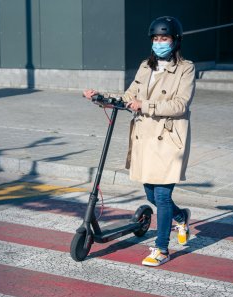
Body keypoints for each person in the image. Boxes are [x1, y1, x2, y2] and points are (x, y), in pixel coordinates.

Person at [83, 16, 195, 267]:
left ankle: (162, 249)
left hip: (168, 138)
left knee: (163, 196)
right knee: (152, 195)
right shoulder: (146, 66)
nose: (159, 43)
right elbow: (129, 96)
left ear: (175, 40)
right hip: (144, 138)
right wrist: (101, 98)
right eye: (155, 38)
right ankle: (181, 217)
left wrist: (144, 105)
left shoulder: (186, 68)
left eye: (164, 38)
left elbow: (180, 104)